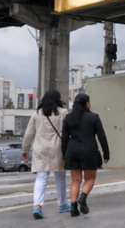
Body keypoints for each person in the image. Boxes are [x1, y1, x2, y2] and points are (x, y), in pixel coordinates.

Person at [21, 89, 69, 219]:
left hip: (40, 149)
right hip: (58, 148)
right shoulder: (64, 113)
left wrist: (24, 150)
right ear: (57, 99)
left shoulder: (37, 114)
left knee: (41, 177)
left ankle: (37, 206)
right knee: (60, 176)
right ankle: (62, 204)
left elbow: (28, 134)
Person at [61, 93, 110, 217]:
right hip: (89, 150)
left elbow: (65, 138)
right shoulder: (93, 117)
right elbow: (101, 136)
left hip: (72, 150)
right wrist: (106, 153)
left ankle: (73, 206)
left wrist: (64, 155)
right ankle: (83, 197)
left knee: (75, 180)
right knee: (90, 178)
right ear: (87, 103)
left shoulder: (68, 118)